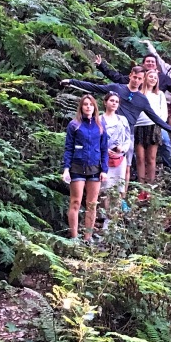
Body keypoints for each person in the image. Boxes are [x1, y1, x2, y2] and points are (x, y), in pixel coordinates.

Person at [93, 51, 171, 171]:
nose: (150, 63)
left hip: (155, 120)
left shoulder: (163, 79)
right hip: (137, 121)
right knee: (133, 150)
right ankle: (133, 173)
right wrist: (102, 66)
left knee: (166, 144)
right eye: (147, 61)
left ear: (156, 65)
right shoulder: (137, 78)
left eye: (153, 62)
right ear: (143, 64)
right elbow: (116, 77)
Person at [61, 94, 108, 241]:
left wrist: (104, 170)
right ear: (81, 107)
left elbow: (104, 149)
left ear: (95, 107)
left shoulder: (100, 125)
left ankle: (88, 238)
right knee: (75, 202)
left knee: (92, 204)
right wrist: (66, 168)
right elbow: (68, 148)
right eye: (85, 104)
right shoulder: (74, 125)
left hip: (95, 168)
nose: (88, 107)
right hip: (77, 166)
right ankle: (74, 237)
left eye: (91, 104)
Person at [99, 91, 132, 226]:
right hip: (104, 157)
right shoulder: (99, 119)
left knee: (118, 188)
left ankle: (114, 220)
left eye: (116, 102)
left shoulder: (122, 120)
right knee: (105, 188)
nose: (114, 103)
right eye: (111, 101)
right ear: (105, 102)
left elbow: (128, 138)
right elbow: (96, 138)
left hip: (119, 158)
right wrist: (105, 150)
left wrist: (122, 149)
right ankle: (106, 218)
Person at [133, 67, 168, 188]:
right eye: (150, 76)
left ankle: (150, 186)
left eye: (155, 77)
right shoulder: (138, 93)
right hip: (138, 127)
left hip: (154, 127)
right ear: (145, 78)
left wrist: (160, 123)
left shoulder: (159, 94)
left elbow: (164, 112)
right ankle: (141, 186)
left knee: (151, 158)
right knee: (140, 158)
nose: (153, 79)